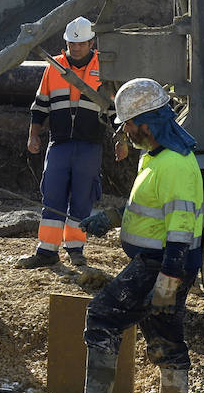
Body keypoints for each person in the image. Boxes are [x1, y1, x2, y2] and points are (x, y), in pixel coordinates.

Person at [57, 77, 203, 393]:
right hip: (158, 263)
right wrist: (110, 217)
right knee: (164, 336)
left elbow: (181, 230)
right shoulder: (155, 158)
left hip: (161, 265)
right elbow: (145, 207)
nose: (126, 132)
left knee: (103, 316)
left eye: (129, 125)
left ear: (148, 123)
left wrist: (168, 281)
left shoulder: (176, 167)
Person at [17, 16, 125, 269]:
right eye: (71, 44)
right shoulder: (53, 67)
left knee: (82, 198)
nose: (75, 48)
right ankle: (46, 252)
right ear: (65, 43)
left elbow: (116, 112)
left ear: (91, 43)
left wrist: (121, 141)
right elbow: (40, 106)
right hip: (60, 143)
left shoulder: (105, 68)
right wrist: (33, 135)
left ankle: (75, 249)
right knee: (52, 194)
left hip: (90, 145)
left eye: (81, 44)